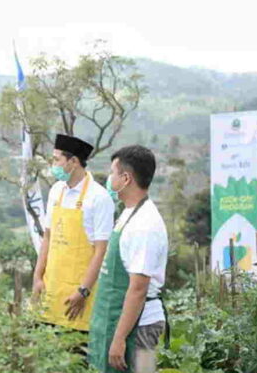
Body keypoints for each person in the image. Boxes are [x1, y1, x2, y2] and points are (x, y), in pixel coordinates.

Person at [89, 145, 169, 373]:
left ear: (126, 178)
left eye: (112, 173)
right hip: (118, 322)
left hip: (141, 329)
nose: (109, 178)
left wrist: (119, 338)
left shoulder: (145, 225)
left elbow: (138, 289)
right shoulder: (127, 213)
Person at [32, 134, 115, 331]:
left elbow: (101, 251)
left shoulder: (99, 198)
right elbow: (48, 237)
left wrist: (83, 291)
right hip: (51, 288)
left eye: (57, 160)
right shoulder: (56, 191)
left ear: (74, 162)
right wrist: (37, 277)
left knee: (75, 353)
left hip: (78, 293)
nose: (53, 165)